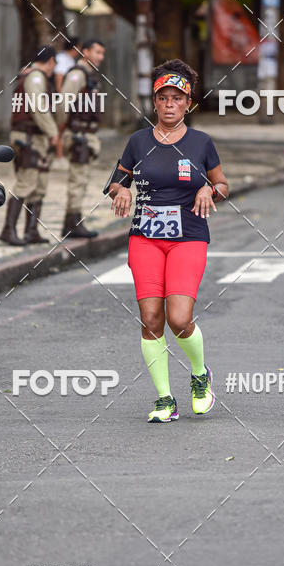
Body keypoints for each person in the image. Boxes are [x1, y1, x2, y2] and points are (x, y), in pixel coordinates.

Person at [107, 58, 229, 423]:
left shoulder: (201, 143)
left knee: (179, 317)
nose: (169, 104)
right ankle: (164, 399)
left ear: (188, 103)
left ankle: (200, 374)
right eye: (163, 98)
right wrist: (120, 191)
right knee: (150, 318)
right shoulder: (138, 141)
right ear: (155, 102)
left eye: (177, 98)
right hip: (144, 238)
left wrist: (209, 190)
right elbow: (116, 180)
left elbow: (223, 183)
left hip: (188, 237)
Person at [0, 45, 59, 246]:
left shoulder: (33, 76)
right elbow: (38, 108)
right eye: (54, 64)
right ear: (50, 61)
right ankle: (8, 230)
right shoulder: (35, 77)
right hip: (28, 138)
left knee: (39, 184)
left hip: (36, 137)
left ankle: (31, 231)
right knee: (26, 182)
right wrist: (53, 132)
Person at [58, 39, 106, 238]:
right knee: (78, 180)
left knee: (82, 179)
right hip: (78, 135)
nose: (100, 57)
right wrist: (61, 130)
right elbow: (63, 103)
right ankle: (73, 224)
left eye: (102, 53)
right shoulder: (78, 74)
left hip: (87, 134)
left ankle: (71, 222)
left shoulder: (89, 75)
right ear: (85, 52)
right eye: (97, 52)